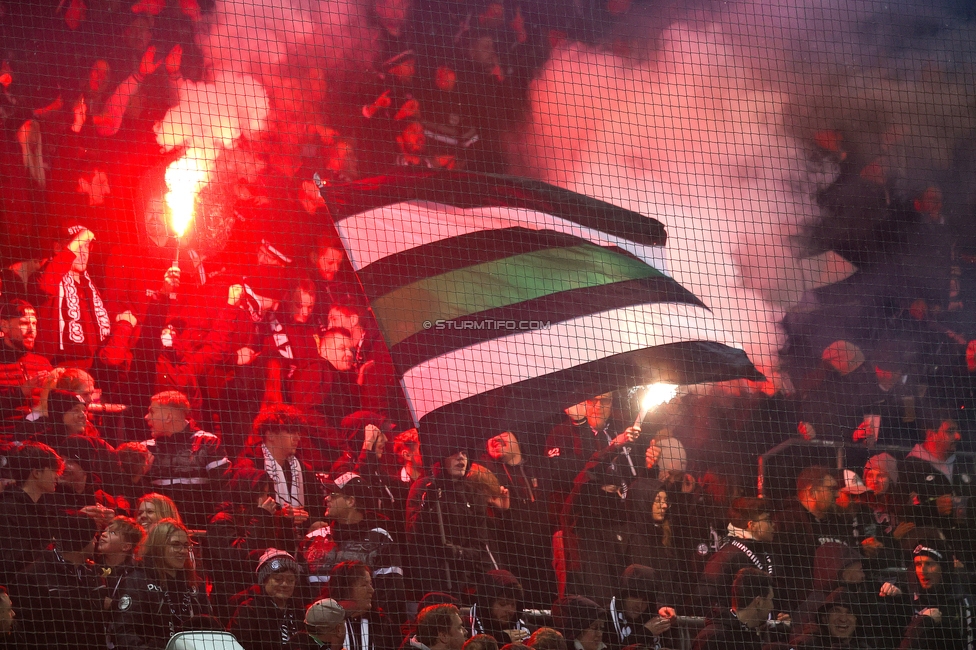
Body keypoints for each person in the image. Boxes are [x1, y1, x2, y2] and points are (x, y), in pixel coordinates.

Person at [302, 472, 406, 625]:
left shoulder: (380, 539)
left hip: (365, 628)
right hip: (320, 628)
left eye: (334, 494)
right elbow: (300, 587)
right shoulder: (313, 538)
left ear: (351, 501)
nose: (327, 498)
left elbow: (391, 592)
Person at [406, 444, 505, 596]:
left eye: (465, 453)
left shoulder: (474, 494)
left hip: (465, 583)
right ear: (440, 458)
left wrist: (457, 553)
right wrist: (427, 507)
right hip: (431, 582)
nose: (461, 457)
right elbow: (413, 534)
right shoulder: (423, 487)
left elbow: (479, 546)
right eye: (453, 452)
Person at [480, 431, 555, 608]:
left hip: (547, 557)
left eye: (503, 433)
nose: (496, 438)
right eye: (491, 436)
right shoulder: (485, 474)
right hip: (514, 561)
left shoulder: (542, 466)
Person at [111, 518, 211, 650]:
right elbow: (124, 632)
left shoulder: (194, 583)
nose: (182, 551)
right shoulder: (137, 580)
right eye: (175, 544)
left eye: (186, 545)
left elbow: (210, 628)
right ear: (158, 546)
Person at [11, 514, 105, 650]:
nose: (96, 540)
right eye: (93, 536)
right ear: (82, 541)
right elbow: (27, 633)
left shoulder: (92, 573)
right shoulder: (32, 577)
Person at [142, 390, 229, 529]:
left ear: (168, 416)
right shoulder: (145, 449)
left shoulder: (207, 443)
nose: (146, 417)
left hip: (199, 532)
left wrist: (216, 529)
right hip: (157, 535)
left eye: (152, 412)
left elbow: (224, 490)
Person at [238, 404, 326, 533]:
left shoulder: (303, 469)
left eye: (298, 432)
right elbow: (242, 511)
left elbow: (315, 508)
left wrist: (313, 523)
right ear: (270, 435)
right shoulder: (248, 469)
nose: (298, 437)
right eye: (291, 432)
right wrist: (282, 516)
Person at [696, 497, 776, 615]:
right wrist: (736, 620)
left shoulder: (767, 553)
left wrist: (780, 614)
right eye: (768, 520)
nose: (773, 524)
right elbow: (704, 600)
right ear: (751, 525)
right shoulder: (726, 557)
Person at [0, 441, 64, 583]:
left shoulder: (43, 509)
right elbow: (9, 562)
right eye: (53, 470)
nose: (57, 477)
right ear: (36, 473)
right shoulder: (8, 509)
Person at [899, 541, 975, 650]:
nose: (922, 571)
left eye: (929, 564)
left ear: (943, 568)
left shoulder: (963, 603)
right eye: (918, 564)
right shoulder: (907, 596)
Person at [228, 549, 305, 650]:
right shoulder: (249, 611)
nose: (285, 584)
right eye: (278, 579)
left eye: (291, 580)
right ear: (264, 581)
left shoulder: (299, 611)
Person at [691, 568, 775, 650]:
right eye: (770, 600)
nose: (772, 606)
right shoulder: (714, 638)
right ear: (758, 603)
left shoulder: (749, 637)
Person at [328, 560, 397, 650]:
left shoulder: (381, 623)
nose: (371, 590)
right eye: (364, 585)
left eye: (371, 584)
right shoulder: (324, 622)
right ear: (345, 589)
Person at [0, 299, 50, 419]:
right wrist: (21, 392)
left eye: (34, 324)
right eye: (24, 323)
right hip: (7, 435)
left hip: (41, 435)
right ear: (4, 326)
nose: (31, 330)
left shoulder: (43, 363)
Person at [607, 565, 675, 650]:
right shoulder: (606, 617)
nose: (639, 605)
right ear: (623, 595)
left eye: (646, 599)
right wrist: (646, 632)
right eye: (635, 596)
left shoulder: (655, 618)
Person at [789, 589, 875, 650]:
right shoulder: (808, 645)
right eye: (836, 611)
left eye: (849, 612)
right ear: (824, 618)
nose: (843, 619)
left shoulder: (865, 647)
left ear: (857, 620)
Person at [469, 570, 532, 644]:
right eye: (503, 604)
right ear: (487, 604)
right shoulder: (466, 628)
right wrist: (501, 640)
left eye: (513, 604)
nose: (510, 611)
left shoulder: (528, 632)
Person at [97, 517, 145, 613]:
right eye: (105, 531)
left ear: (126, 546)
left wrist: (113, 604)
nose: (103, 534)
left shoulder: (133, 574)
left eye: (112, 533)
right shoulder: (92, 565)